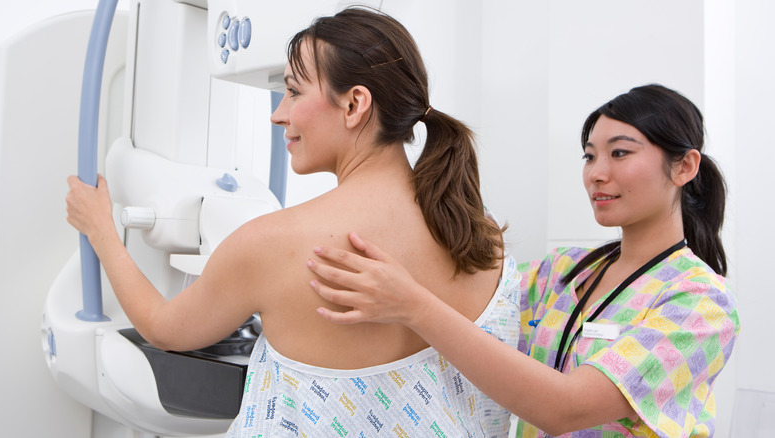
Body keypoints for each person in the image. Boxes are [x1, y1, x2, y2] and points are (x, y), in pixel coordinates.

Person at [66, 6, 521, 437]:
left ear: (354, 105)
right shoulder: (482, 239)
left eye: (294, 90)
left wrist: (102, 233)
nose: (277, 112)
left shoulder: (273, 244)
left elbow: (165, 329)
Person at [307, 84, 741, 437]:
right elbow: (472, 306)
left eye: (620, 153)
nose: (596, 172)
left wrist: (412, 305)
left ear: (684, 167)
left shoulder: (701, 305)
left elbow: (565, 410)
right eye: (589, 155)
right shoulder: (565, 272)